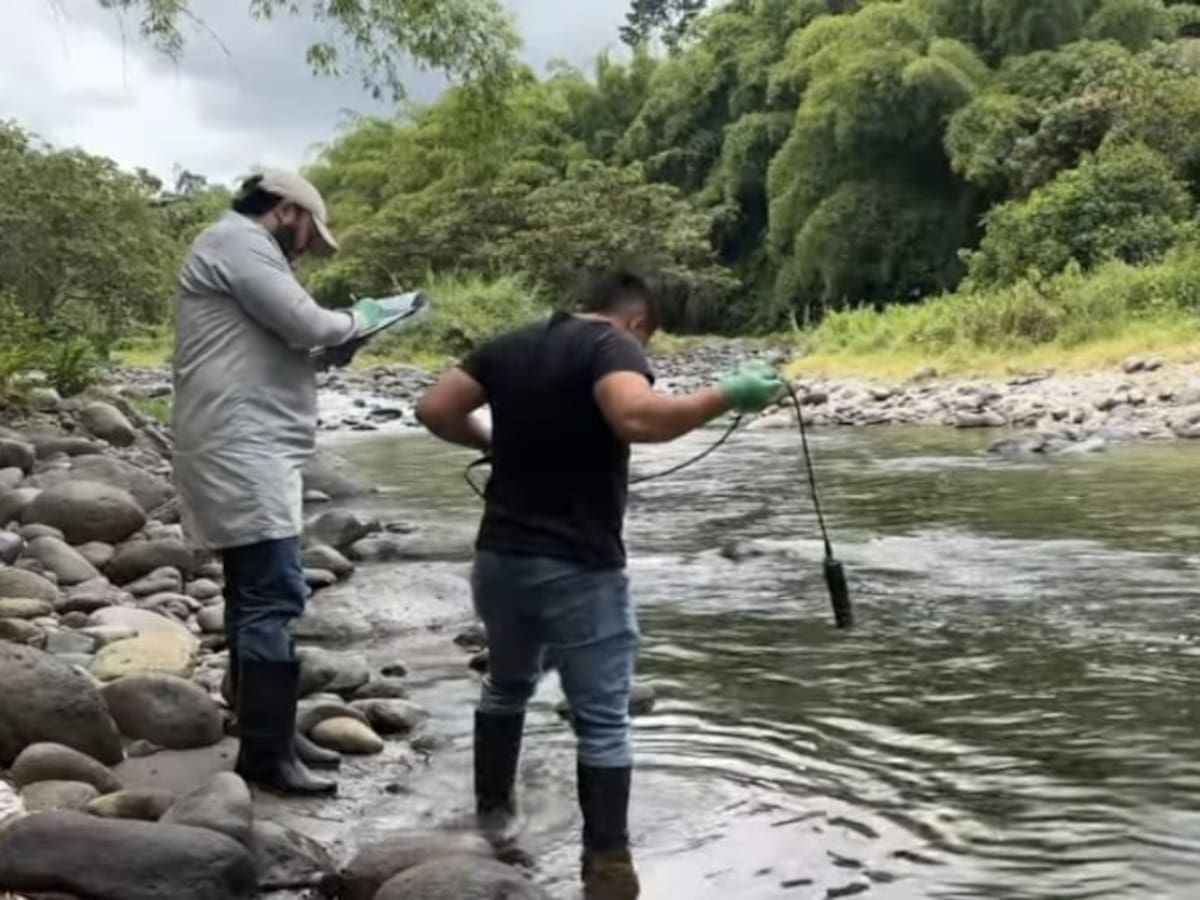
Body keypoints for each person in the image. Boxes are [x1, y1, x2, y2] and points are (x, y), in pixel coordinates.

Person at [415, 270, 784, 898]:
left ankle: (493, 819)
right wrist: (727, 395)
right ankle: (608, 866)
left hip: (500, 559)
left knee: (506, 686)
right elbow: (637, 418)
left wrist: (492, 443)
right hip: (578, 565)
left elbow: (434, 408)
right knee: (605, 721)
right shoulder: (613, 346)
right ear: (637, 321)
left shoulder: (510, 343)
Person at [172, 169, 385, 796]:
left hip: (243, 442)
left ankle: (272, 734)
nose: (304, 248)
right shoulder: (239, 242)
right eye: (306, 233)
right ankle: (265, 758)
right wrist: (362, 317)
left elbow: (276, 343)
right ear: (287, 210)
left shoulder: (234, 247)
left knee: (251, 591)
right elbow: (310, 324)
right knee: (273, 592)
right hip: (244, 447)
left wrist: (327, 351)